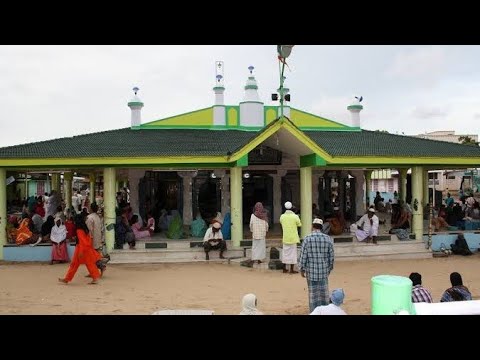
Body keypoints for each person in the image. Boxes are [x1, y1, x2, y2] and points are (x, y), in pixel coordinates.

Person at [298, 218, 335, 312]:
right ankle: (325, 311)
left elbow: (303, 256)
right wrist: (329, 268)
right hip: (323, 271)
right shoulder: (328, 239)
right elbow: (331, 256)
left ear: (312, 226)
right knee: (324, 293)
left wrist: (301, 269)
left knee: (313, 294)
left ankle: (314, 312)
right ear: (321, 227)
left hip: (311, 272)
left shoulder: (307, 239)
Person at [58, 214, 102, 285]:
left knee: (78, 264)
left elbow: (82, 241)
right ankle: (67, 278)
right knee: (86, 263)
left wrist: (81, 251)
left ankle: (67, 278)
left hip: (81, 248)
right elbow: (88, 239)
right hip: (85, 248)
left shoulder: (79, 229)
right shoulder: (84, 228)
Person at [280, 201, 302, 274]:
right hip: (293, 237)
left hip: (285, 237)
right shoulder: (295, 216)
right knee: (293, 254)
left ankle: (284, 268)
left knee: (285, 253)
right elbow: (299, 224)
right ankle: (291, 270)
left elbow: (281, 222)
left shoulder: (282, 216)